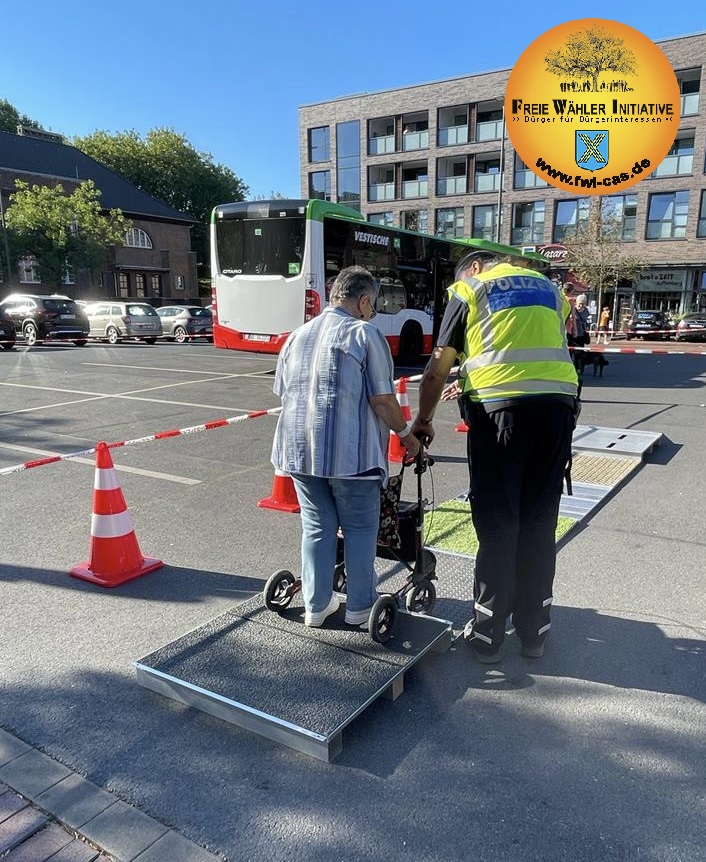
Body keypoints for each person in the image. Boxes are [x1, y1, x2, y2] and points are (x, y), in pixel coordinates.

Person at [410, 249, 579, 663]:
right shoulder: (551, 291)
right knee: (539, 523)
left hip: (499, 416)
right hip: (557, 411)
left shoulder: (470, 288)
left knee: (500, 523)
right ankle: (534, 633)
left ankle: (487, 635)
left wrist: (423, 419)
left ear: (474, 266)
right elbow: (531, 347)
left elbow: (436, 367)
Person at [271, 265, 421, 628]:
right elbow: (383, 401)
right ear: (364, 300)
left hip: (298, 452)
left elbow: (283, 392)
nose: (372, 310)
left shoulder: (296, 336)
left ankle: (316, 606)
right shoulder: (364, 335)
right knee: (358, 529)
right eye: (373, 304)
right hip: (351, 457)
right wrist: (408, 436)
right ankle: (358, 607)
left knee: (317, 527)